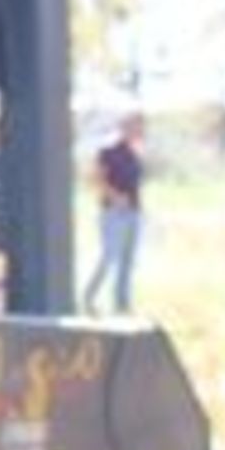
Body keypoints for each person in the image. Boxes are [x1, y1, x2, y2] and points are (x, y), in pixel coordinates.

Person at [84, 114, 145, 315]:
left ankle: (122, 304)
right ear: (123, 127)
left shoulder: (135, 154)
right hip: (113, 213)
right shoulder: (108, 152)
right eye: (133, 125)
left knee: (128, 260)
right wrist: (116, 196)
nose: (137, 130)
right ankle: (89, 297)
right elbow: (95, 180)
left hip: (134, 214)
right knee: (109, 256)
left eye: (139, 126)